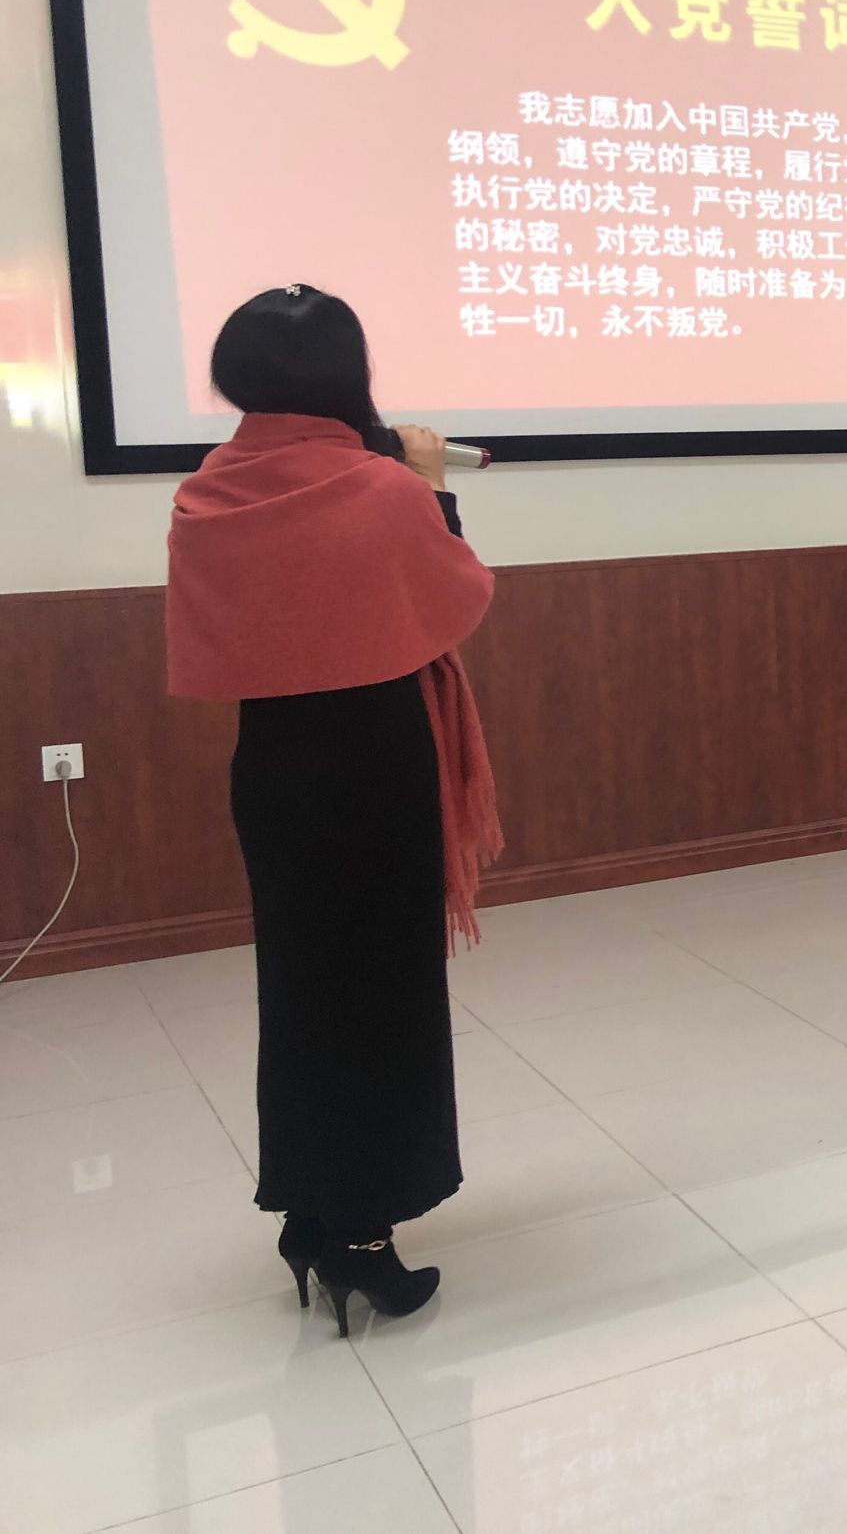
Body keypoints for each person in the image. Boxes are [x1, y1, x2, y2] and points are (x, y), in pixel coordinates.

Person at [164, 286, 502, 1334]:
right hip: (375, 761)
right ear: (346, 375)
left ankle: (311, 1213)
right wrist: (433, 483)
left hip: (274, 770)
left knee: (305, 989)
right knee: (384, 995)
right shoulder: (382, 487)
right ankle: (363, 1236)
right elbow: (454, 596)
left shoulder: (206, 494)